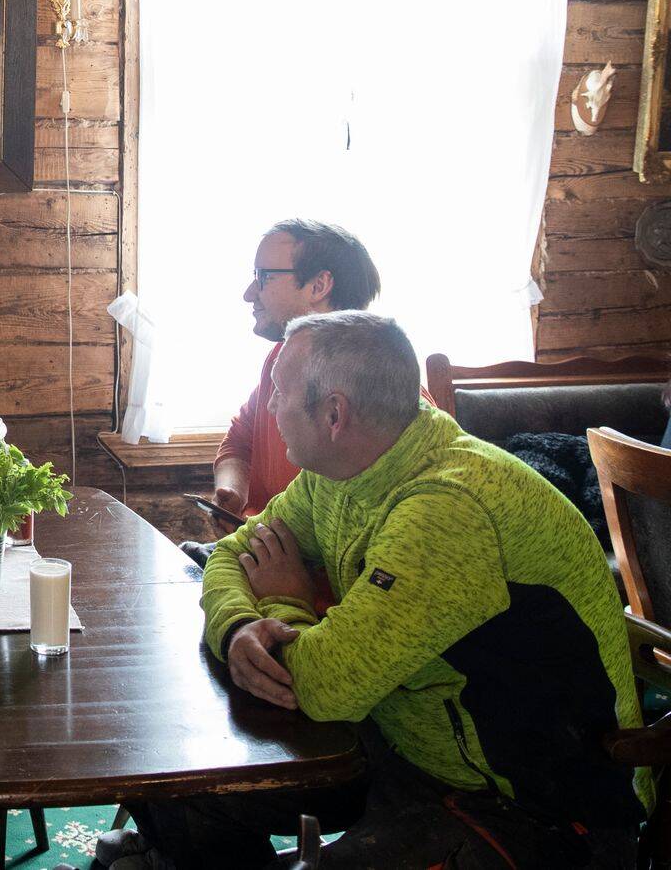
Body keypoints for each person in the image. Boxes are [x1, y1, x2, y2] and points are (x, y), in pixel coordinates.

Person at [100, 312, 649, 870]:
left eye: (279, 392)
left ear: (334, 414)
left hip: (531, 807)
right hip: (402, 743)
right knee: (169, 772)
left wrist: (286, 602)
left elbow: (325, 686)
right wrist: (239, 625)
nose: (270, 406)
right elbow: (230, 554)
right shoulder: (340, 468)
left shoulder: (446, 510)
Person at [213, 219, 383, 519]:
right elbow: (239, 441)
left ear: (319, 286)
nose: (249, 293)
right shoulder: (281, 359)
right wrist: (232, 495)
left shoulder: (380, 384)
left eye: (263, 276)